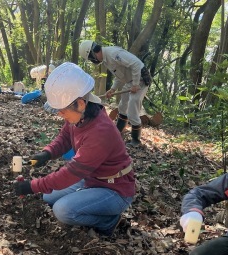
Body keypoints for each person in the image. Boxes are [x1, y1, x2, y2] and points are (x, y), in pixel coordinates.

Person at [14, 62, 135, 236]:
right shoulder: (79, 116)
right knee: (49, 196)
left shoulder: (100, 133)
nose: (60, 115)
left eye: (62, 111)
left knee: (63, 211)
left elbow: (71, 173)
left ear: (80, 103)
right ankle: (88, 201)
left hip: (115, 189)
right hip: (93, 178)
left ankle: (109, 221)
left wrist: (32, 186)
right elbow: (64, 138)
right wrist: (46, 153)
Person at [79, 40, 151, 147]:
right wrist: (112, 89)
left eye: (90, 58)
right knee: (122, 107)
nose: (92, 61)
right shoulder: (106, 60)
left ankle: (136, 140)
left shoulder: (114, 54)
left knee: (132, 108)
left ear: (94, 53)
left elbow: (137, 64)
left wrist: (136, 84)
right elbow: (119, 76)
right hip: (129, 81)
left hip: (140, 79)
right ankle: (118, 132)